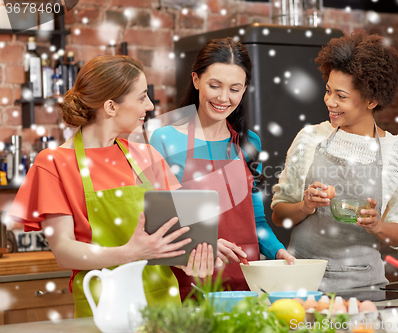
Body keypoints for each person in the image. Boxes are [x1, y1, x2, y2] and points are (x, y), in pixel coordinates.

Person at [8, 55, 214, 317]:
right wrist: (128, 253)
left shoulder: (148, 155)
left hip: (164, 308)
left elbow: (180, 231)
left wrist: (200, 250)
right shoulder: (53, 163)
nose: (149, 105)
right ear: (111, 107)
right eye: (141, 97)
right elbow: (64, 251)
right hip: (104, 309)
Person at [271, 31, 398, 291]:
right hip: (302, 281)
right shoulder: (309, 139)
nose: (330, 101)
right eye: (328, 91)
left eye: (341, 96)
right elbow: (278, 214)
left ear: (372, 100)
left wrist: (377, 226)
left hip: (365, 286)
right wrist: (305, 206)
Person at [150, 37, 295, 299]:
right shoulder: (165, 140)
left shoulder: (250, 142)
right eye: (214, 85)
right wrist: (201, 240)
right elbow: (161, 224)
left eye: (234, 89)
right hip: (190, 283)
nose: (223, 98)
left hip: (246, 283)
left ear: (244, 89)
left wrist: (277, 251)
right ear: (196, 80)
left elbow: (256, 219)